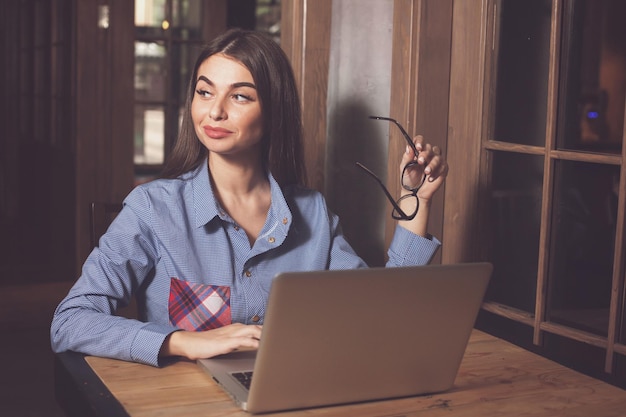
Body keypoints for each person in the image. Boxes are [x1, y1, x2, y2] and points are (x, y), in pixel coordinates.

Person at [51, 28, 448, 367]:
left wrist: (417, 200)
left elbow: (380, 317)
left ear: (274, 112)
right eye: (204, 92)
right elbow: (71, 321)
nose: (215, 112)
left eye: (240, 96)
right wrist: (184, 342)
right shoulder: (153, 209)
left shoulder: (313, 213)